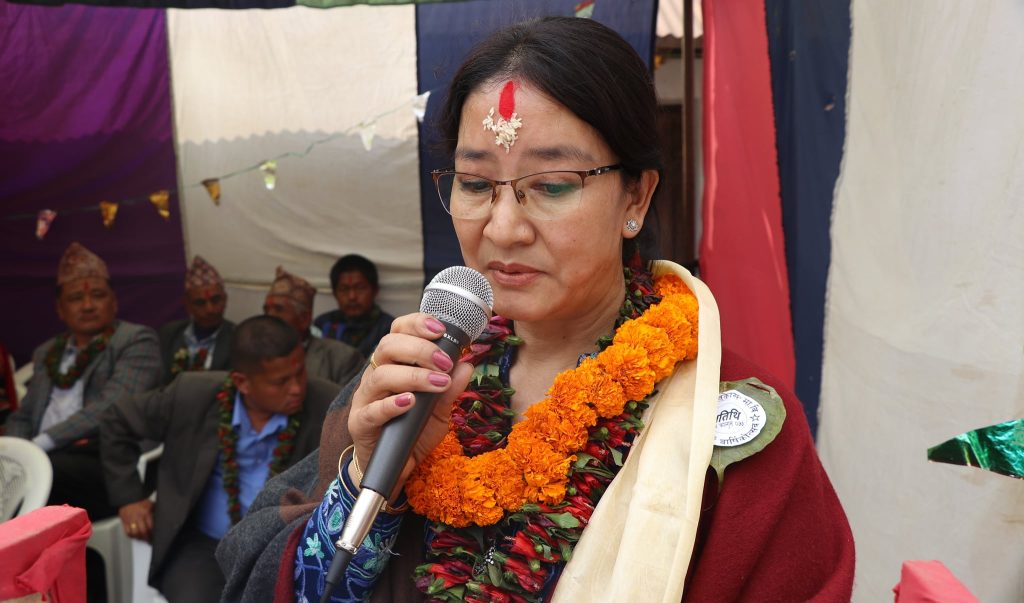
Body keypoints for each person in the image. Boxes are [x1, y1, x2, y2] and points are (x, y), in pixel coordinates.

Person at [217, 17, 854, 603]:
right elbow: (287, 581)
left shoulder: (726, 418)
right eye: (475, 184)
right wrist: (365, 481)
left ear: (636, 196)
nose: (503, 228)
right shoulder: (413, 377)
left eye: (551, 186)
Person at [100, 315, 340, 603]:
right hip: (201, 545)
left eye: (300, 372)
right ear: (242, 382)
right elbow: (117, 420)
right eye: (281, 382)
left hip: (280, 547)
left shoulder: (326, 403)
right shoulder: (192, 395)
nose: (297, 388)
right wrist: (129, 498)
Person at [5, 242, 162, 521]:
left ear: (114, 302)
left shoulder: (136, 340)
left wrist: (39, 447)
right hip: (43, 456)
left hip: (104, 462)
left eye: (98, 296)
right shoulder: (46, 352)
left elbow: (110, 407)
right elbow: (25, 415)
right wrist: (14, 454)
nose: (88, 305)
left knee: (40, 477)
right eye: (76, 298)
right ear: (60, 309)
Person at [264, 266, 364, 386]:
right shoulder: (257, 353)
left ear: (304, 319)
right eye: (266, 310)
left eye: (278, 309)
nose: (269, 317)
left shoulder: (342, 358)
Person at [158, 255, 235, 384]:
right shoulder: (169, 333)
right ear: (187, 305)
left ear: (225, 299)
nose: (210, 309)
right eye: (200, 303)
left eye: (216, 300)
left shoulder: (238, 337)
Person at [313, 254, 395, 357]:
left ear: (375, 290)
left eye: (360, 288)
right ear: (334, 293)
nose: (352, 296)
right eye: (344, 289)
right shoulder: (323, 324)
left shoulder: (389, 328)